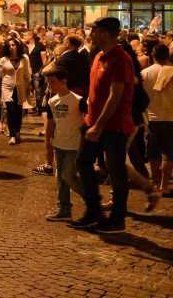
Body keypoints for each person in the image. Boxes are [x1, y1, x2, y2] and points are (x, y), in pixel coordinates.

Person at [73, 17, 133, 234]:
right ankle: (94, 210)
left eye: (95, 31)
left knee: (116, 170)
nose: (91, 34)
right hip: (93, 122)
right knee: (83, 162)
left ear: (106, 33)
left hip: (113, 125)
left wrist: (98, 125)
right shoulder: (98, 56)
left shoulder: (121, 59)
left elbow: (115, 96)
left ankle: (118, 218)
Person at [140, 43, 173, 196]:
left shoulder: (144, 74)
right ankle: (164, 185)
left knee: (153, 153)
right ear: (168, 56)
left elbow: (139, 97)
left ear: (152, 56)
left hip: (151, 119)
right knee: (169, 154)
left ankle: (155, 182)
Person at [41, 64, 85, 222]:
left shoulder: (78, 100)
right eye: (48, 83)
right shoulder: (52, 101)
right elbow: (51, 124)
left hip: (74, 144)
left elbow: (86, 121)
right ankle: (64, 208)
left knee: (69, 176)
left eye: (52, 82)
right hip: (59, 143)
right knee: (60, 177)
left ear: (63, 81)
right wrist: (49, 144)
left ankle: (92, 198)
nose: (50, 86)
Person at [0, 39, 30, 145]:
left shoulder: (24, 59)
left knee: (18, 111)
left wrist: (28, 87)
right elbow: (0, 75)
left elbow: (26, 74)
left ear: (18, 46)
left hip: (20, 88)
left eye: (13, 45)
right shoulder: (3, 60)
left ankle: (17, 132)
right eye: (9, 45)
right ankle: (12, 135)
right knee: (10, 110)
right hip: (7, 88)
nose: (11, 47)